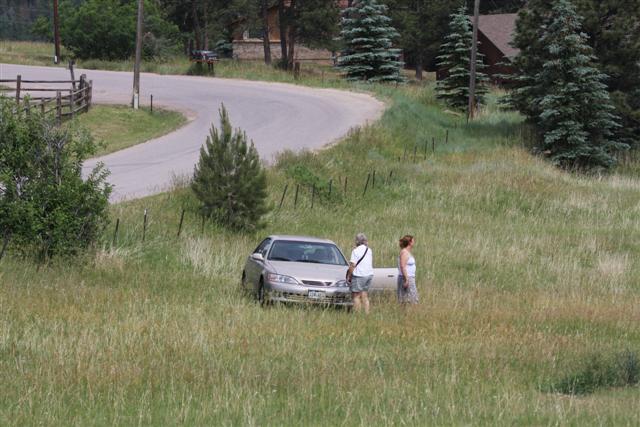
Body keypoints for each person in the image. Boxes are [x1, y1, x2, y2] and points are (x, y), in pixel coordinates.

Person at [347, 233, 373, 314]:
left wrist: (349, 276)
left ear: (357, 241)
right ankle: (366, 314)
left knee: (356, 296)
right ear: (365, 241)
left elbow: (352, 265)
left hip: (359, 275)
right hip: (369, 275)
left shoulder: (355, 251)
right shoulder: (369, 250)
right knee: (364, 295)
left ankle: (357, 314)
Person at [397, 235, 419, 304]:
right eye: (413, 240)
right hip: (406, 278)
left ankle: (408, 313)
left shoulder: (407, 252)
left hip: (409, 277)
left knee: (409, 299)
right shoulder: (404, 252)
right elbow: (403, 266)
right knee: (411, 299)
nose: (414, 242)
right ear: (409, 242)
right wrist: (406, 279)